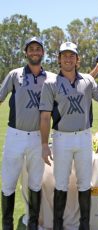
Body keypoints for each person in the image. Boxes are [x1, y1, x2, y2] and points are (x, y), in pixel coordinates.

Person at [39, 41, 98, 230]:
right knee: (61, 183)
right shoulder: (50, 83)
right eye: (64, 55)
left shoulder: (88, 80)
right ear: (59, 59)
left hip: (83, 136)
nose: (68, 58)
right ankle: (58, 225)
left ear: (77, 60)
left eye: (72, 55)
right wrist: (44, 144)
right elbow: (46, 117)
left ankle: (84, 225)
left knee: (84, 182)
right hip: (61, 138)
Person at [0, 37, 55, 230]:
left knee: (35, 183)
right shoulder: (15, 75)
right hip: (15, 135)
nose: (34, 52)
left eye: (38, 49)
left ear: (43, 53)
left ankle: (33, 222)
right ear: (26, 53)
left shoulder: (51, 78)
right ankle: (7, 224)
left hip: (38, 138)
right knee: (8, 182)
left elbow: (71, 85)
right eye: (30, 48)